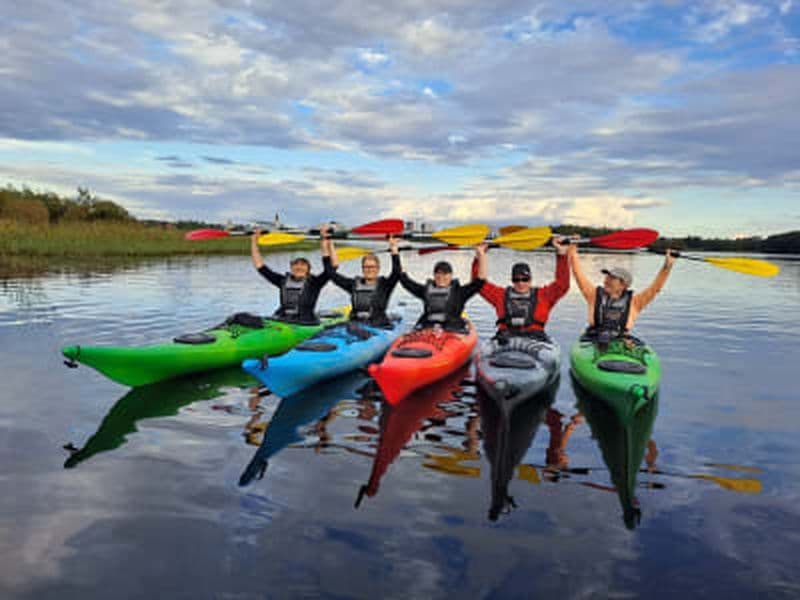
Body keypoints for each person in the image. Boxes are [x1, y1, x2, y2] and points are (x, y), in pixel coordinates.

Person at [568, 243, 676, 340]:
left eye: (612, 278)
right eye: (607, 277)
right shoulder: (593, 295)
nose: (606, 280)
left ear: (624, 285)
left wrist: (667, 266)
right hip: (594, 340)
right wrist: (573, 251)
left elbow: (655, 288)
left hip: (621, 341)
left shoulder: (635, 302)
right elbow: (578, 275)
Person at [471, 238, 569, 339]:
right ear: (511, 280)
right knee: (485, 351)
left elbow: (562, 284)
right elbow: (478, 284)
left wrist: (561, 254)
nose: (521, 283)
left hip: (535, 339)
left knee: (547, 355)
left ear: (531, 279)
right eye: (516, 279)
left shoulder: (544, 295)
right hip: (505, 339)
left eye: (525, 279)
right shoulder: (500, 295)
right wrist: (479, 256)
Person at [250, 227, 332, 324]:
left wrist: (325, 241)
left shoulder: (315, 282)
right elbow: (260, 267)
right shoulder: (282, 280)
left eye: (303, 264)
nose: (299, 267)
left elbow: (330, 268)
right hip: (281, 318)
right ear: (291, 267)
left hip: (305, 322)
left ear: (308, 268)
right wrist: (254, 242)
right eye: (295, 264)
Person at [399, 246, 487, 331]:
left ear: (451, 276)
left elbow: (480, 281)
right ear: (434, 275)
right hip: (428, 327)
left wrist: (481, 254)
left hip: (453, 329)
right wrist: (395, 252)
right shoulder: (425, 290)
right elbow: (406, 282)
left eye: (445, 273)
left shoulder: (460, 292)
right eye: (438, 273)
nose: (441, 277)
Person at [324, 231, 402, 328]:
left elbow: (397, 272)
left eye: (372, 267)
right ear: (362, 268)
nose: (369, 270)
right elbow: (331, 274)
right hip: (354, 325)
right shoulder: (353, 284)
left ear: (378, 268)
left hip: (376, 327)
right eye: (366, 267)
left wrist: (394, 249)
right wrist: (328, 244)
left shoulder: (385, 285)